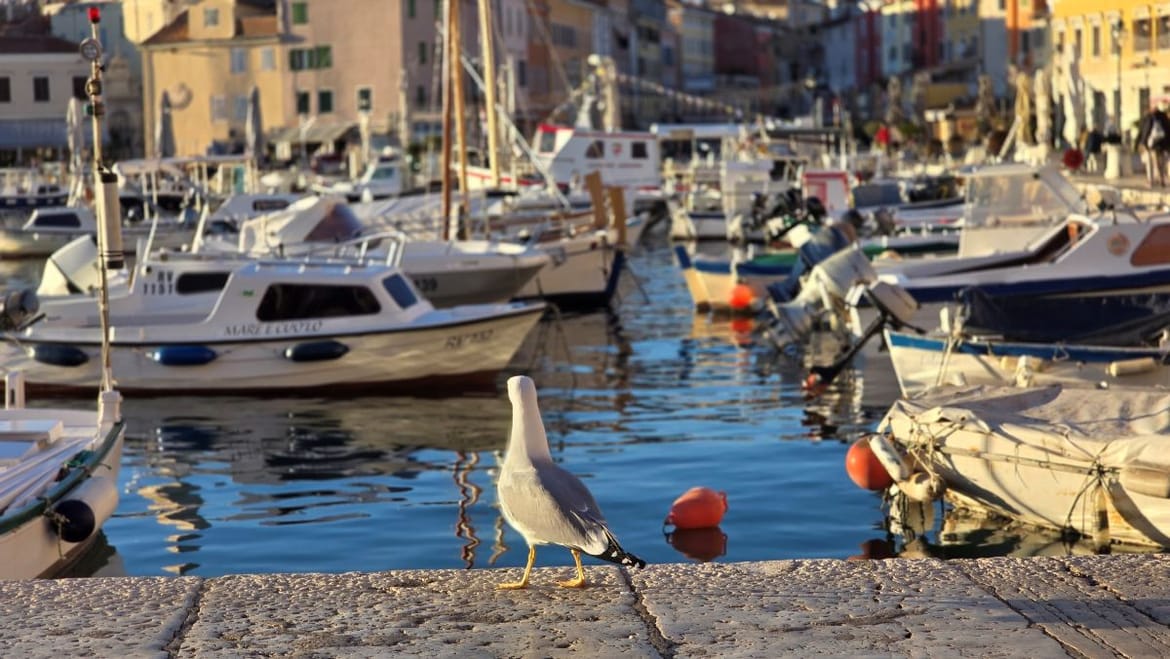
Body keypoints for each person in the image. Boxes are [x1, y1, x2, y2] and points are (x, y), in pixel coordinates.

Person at [1136, 102, 1170, 187]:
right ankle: (1162, 180)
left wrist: (1141, 143)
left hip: (1152, 144)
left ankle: (1151, 181)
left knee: (1151, 163)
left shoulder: (1149, 117)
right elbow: (1168, 130)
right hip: (1162, 144)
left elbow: (1145, 131)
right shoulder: (1163, 116)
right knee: (1161, 163)